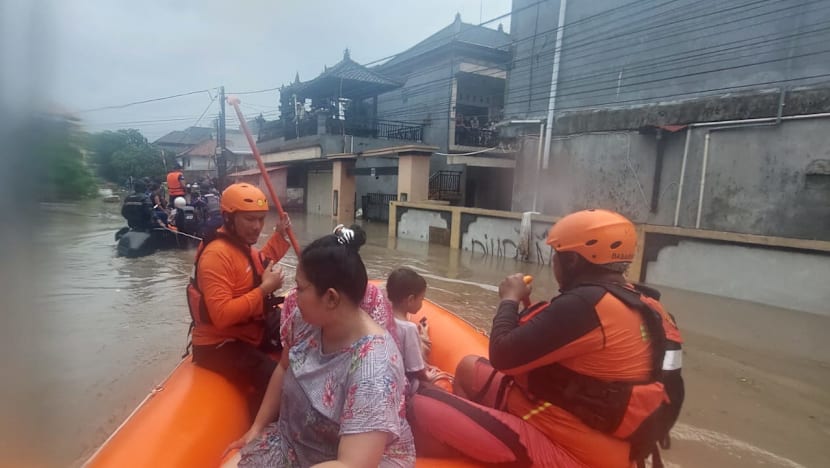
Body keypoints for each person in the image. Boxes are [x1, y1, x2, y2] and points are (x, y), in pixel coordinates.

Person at [453, 209, 684, 468]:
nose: (553, 263)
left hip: (572, 444)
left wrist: (509, 298)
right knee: (469, 368)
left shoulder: (584, 305)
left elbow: (501, 356)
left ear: (573, 260)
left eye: (557, 255)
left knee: (433, 397)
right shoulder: (649, 305)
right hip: (622, 442)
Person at [225, 226, 416, 468]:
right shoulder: (304, 319)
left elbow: (352, 464)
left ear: (331, 298)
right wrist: (257, 428)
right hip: (295, 441)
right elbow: (284, 367)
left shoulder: (374, 368)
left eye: (301, 288)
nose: (294, 294)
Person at [187, 183, 291, 415]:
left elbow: (259, 262)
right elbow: (222, 316)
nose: (257, 227)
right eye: (249, 220)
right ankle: (263, 425)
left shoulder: (239, 245)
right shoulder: (216, 256)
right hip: (219, 344)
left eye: (261, 219)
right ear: (229, 218)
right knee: (275, 379)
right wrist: (264, 289)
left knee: (300, 330)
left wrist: (280, 236)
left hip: (248, 328)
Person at [386, 268, 431, 397]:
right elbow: (416, 369)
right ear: (411, 299)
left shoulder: (383, 317)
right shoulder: (409, 328)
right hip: (407, 385)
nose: (422, 303)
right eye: (421, 299)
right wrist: (428, 376)